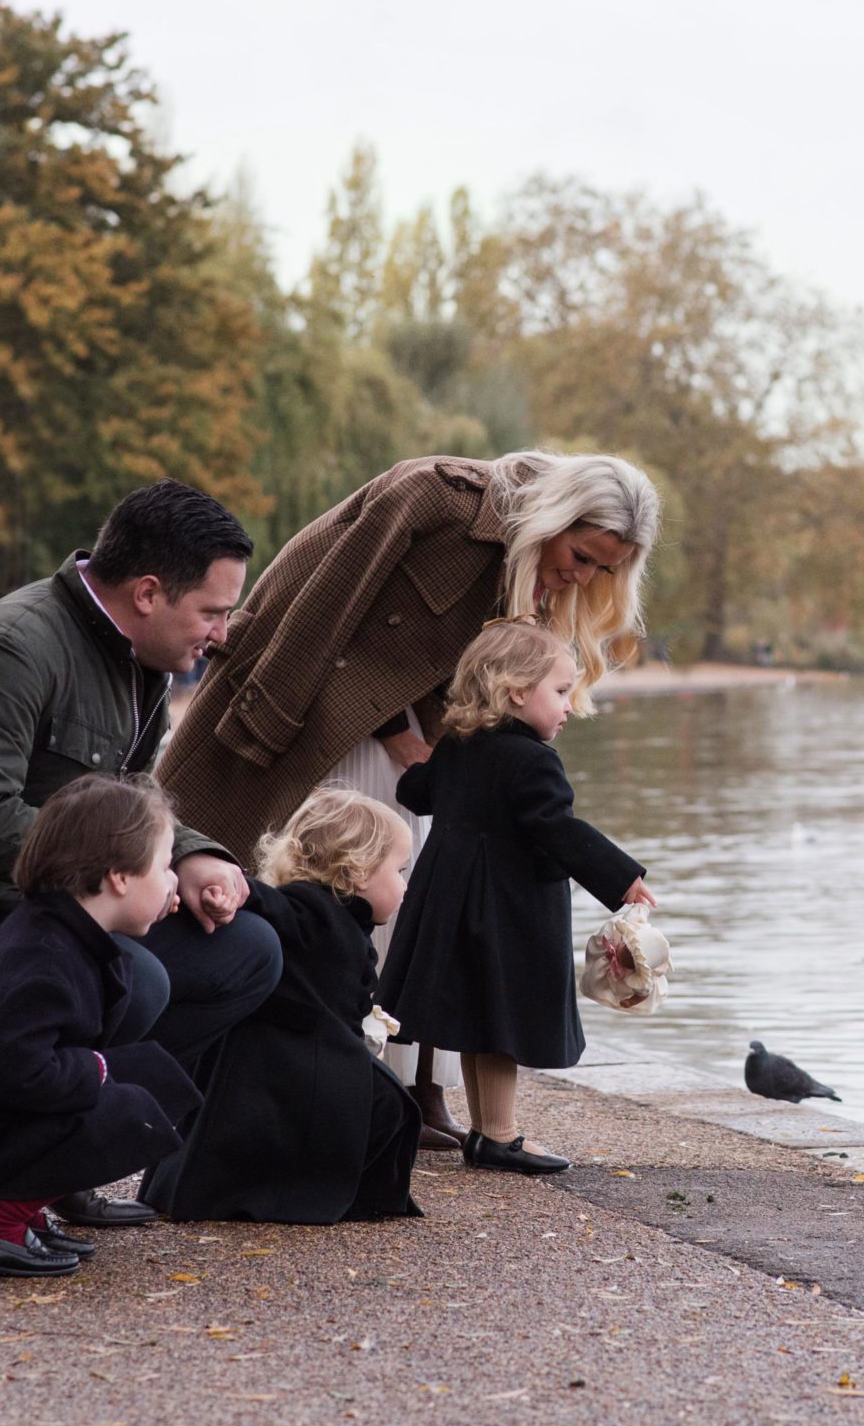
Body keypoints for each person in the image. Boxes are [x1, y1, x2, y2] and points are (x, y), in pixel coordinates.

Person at [157, 451, 660, 1150]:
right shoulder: (435, 498)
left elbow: (444, 665)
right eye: (581, 554)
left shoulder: (522, 564)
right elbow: (333, 617)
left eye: (603, 569)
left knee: (415, 905)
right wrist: (384, 735)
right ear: (556, 516)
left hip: (414, 739)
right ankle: (332, 1084)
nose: (582, 576)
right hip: (320, 720)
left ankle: (399, 1090)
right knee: (346, 895)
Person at [0, 480, 281, 1226]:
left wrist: (194, 856)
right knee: (132, 977)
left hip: (34, 921)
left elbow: (135, 796)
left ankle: (50, 1152)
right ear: (147, 592)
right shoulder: (10, 647)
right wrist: (123, 875)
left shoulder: (138, 660)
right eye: (213, 610)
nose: (223, 632)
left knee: (250, 951)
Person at [378, 620, 655, 1174]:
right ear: (515, 693)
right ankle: (498, 1136)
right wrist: (623, 878)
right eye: (560, 691)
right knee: (502, 1020)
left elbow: (416, 790)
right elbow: (558, 828)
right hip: (506, 910)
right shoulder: (532, 760)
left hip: (455, 902)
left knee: (483, 1019)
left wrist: (429, 770)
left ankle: (486, 1135)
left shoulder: (461, 747)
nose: (569, 706)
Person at [0, 776, 201, 1279]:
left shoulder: (58, 932)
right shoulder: (46, 959)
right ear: (119, 877)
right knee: (130, 1108)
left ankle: (23, 1210)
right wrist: (98, 1069)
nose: (172, 881)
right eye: (165, 866)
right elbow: (23, 1075)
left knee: (153, 1076)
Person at [143, 789, 423, 1222]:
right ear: (358, 871)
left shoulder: (342, 919)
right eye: (400, 870)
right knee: (389, 1105)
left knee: (388, 1101)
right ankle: (330, 1193)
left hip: (279, 1060)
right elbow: (272, 905)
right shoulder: (316, 909)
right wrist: (233, 892)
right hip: (285, 1068)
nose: (406, 884)